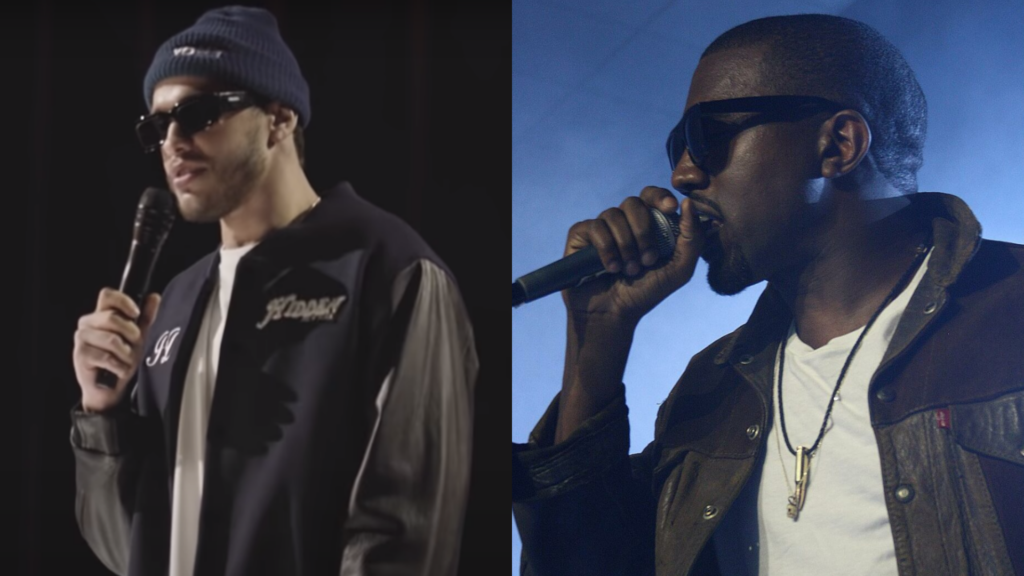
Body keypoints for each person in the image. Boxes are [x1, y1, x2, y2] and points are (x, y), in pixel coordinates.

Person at [512, 13, 1023, 576]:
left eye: (706, 136)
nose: (683, 174)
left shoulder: (1010, 310)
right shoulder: (712, 389)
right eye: (677, 146)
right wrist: (598, 340)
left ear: (839, 145)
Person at [69, 6, 478, 576]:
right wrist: (103, 412)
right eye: (157, 126)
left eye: (198, 113)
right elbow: (132, 548)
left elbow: (402, 537)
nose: (173, 142)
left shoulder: (389, 270)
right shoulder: (174, 305)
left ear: (279, 119)